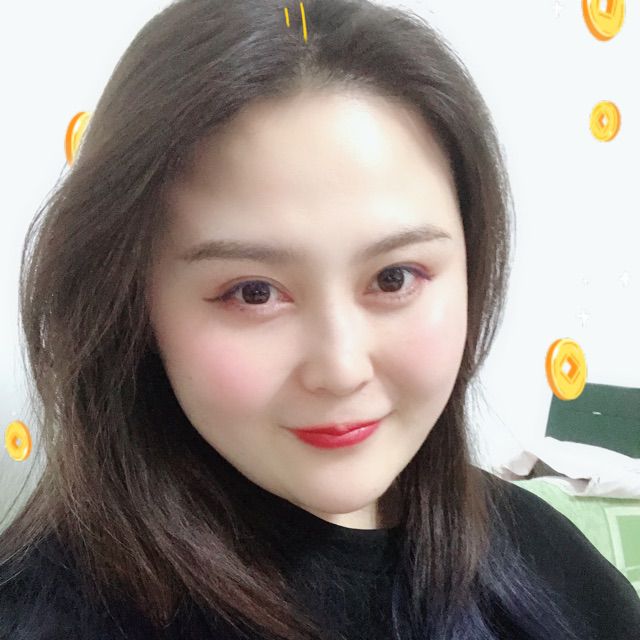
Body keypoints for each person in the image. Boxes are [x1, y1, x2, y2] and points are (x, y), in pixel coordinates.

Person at [1, 1, 638, 638]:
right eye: (253, 292)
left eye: (394, 278)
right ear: (132, 302)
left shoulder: (543, 558)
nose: (340, 368)